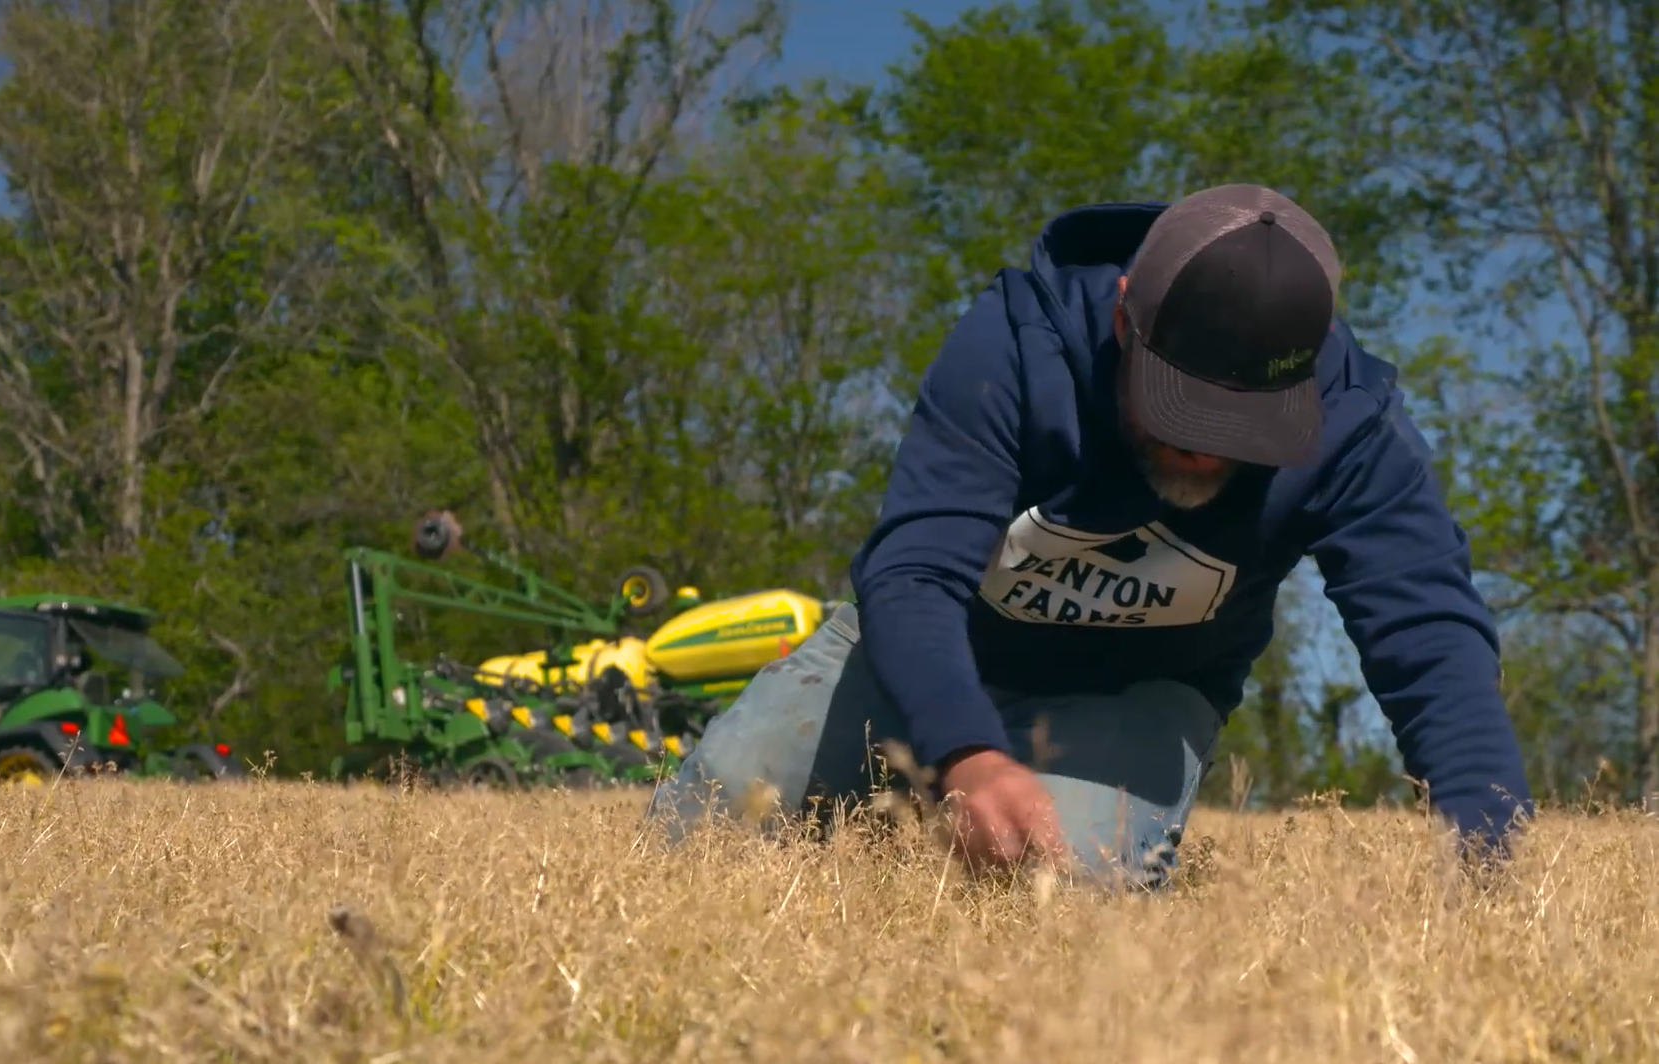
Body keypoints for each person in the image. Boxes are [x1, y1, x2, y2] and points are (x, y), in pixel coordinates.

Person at [643, 183, 1535, 889]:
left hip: (1138, 695)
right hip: (921, 653)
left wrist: (1491, 851)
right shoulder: (1017, 344)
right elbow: (913, 569)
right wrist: (968, 752)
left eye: (1241, 426)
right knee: (692, 848)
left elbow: (1427, 638)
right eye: (1180, 407)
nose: (1201, 449)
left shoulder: (1355, 427)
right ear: (1122, 318)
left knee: (1049, 898)